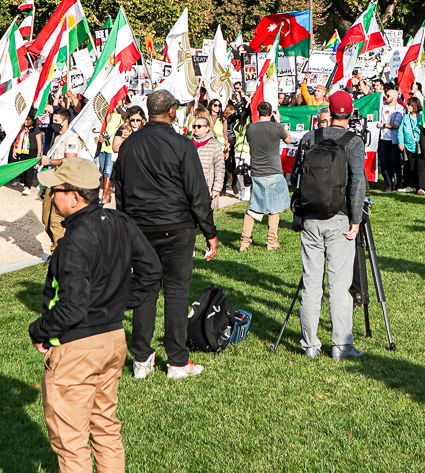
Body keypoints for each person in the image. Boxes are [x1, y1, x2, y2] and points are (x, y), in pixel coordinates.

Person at [31, 158, 161, 473]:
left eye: (54, 191)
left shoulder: (72, 241)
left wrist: (39, 330)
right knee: (105, 427)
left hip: (77, 349)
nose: (49, 196)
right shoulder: (121, 222)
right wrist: (118, 304)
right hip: (113, 341)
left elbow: (73, 306)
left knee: (71, 442)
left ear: (74, 197)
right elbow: (152, 270)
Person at [110, 89, 220, 380]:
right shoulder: (181, 145)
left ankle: (142, 360)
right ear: (172, 111)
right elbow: (198, 193)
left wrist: (125, 227)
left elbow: (119, 193)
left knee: (145, 292)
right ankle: (176, 362)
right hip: (176, 227)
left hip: (142, 228)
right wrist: (210, 230)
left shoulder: (130, 145)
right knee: (175, 292)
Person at [292, 89, 368, 359]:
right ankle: (341, 345)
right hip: (340, 219)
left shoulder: (310, 138)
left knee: (311, 283)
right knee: (339, 285)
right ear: (350, 113)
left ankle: (310, 344)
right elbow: (358, 181)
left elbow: (295, 178)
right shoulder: (354, 142)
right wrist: (356, 220)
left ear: (331, 111)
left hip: (310, 217)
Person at [239, 102, 289, 252]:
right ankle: (271, 242)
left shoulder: (251, 128)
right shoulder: (276, 127)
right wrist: (278, 121)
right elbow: (289, 140)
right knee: (274, 209)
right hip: (274, 171)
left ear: (258, 112)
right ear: (271, 112)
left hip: (257, 172)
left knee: (253, 208)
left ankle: (244, 242)